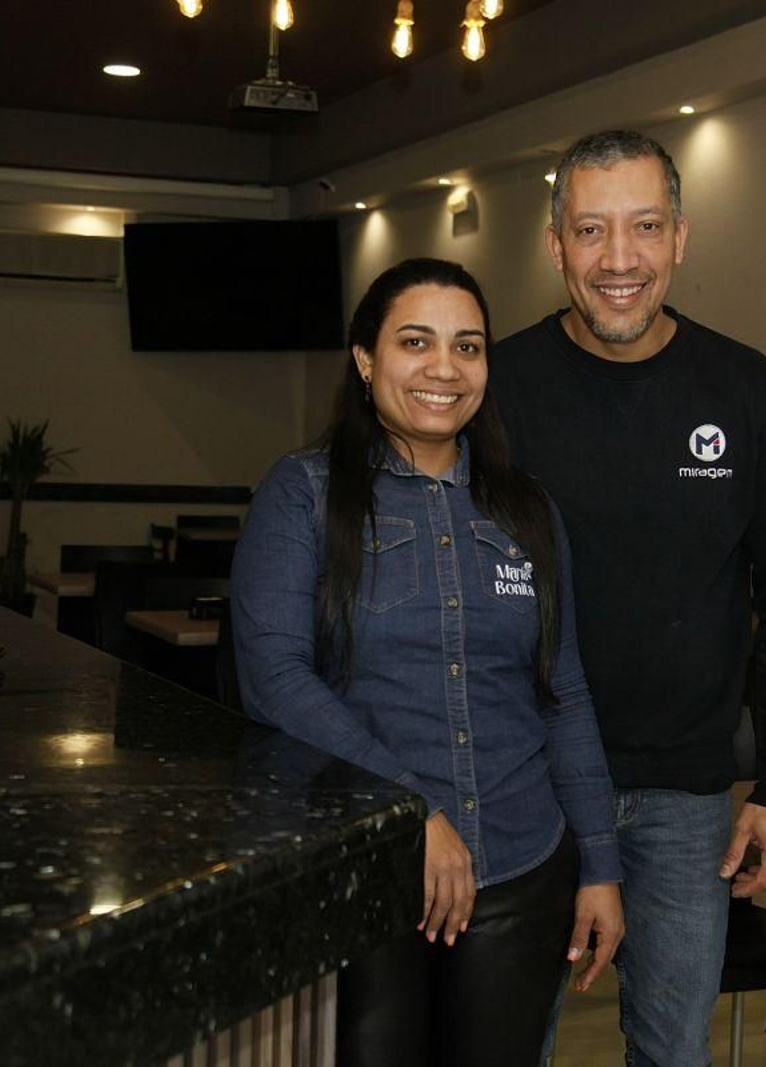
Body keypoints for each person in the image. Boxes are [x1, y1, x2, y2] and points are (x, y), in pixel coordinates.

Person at [231, 258, 625, 1067]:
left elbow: (565, 695)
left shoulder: (527, 510)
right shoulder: (303, 495)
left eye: (469, 346)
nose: (445, 367)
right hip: (362, 875)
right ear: (366, 359)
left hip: (521, 870)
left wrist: (600, 866)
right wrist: (409, 812)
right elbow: (274, 679)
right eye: (416, 341)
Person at [491, 130, 766, 1066]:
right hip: (525, 787)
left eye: (644, 226)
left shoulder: (751, 391)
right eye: (590, 230)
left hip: (687, 797)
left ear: (681, 237)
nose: (619, 259)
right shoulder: (497, 391)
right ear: (555, 246)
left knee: (673, 1053)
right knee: (508, 1044)